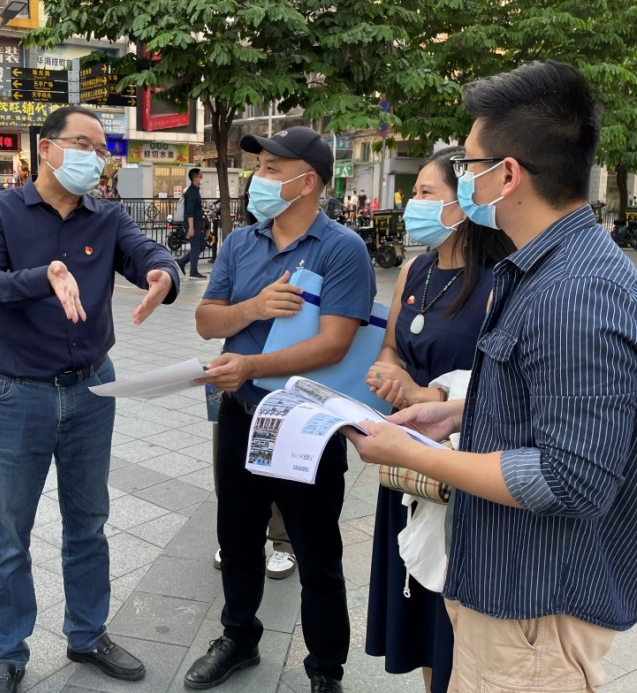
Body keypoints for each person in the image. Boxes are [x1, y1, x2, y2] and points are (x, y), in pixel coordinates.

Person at [345, 60, 637, 693]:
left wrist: (413, 454)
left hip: (535, 613)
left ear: (508, 175)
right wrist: (456, 412)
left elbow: (570, 477)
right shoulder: (543, 268)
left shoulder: (576, 291)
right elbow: (546, 403)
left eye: (469, 166)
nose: (464, 179)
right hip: (512, 591)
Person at [0, 104, 180, 693]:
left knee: (88, 523)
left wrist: (163, 273)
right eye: (83, 144)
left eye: (100, 148)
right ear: (47, 148)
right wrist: (43, 276)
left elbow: (145, 252)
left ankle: (87, 634)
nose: (95, 157)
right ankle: (7, 653)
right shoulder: (0, 211)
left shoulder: (106, 217)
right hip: (17, 393)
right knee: (9, 533)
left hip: (91, 389)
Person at [183, 126, 375, 693]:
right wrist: (253, 308)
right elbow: (207, 320)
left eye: (271, 168)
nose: (257, 178)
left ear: (306, 181)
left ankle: (325, 668)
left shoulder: (342, 248)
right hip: (241, 414)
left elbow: (334, 344)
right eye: (258, 167)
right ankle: (238, 637)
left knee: (316, 551)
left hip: (306, 422)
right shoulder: (242, 242)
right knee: (238, 536)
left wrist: (249, 365)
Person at [363, 148, 513, 693]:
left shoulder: (501, 281)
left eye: (427, 193)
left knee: (453, 612)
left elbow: (502, 385)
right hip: (407, 462)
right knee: (421, 612)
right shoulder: (414, 269)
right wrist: (389, 372)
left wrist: (426, 394)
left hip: (461, 467)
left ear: (463, 202)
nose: (413, 204)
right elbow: (390, 346)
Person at [177, 167, 208, 278]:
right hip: (192, 223)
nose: (202, 177)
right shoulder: (191, 192)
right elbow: (190, 211)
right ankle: (193, 271)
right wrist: (191, 227)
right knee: (196, 246)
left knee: (202, 245)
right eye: (200, 175)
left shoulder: (195, 190)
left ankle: (182, 262)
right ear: (195, 178)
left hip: (197, 223)